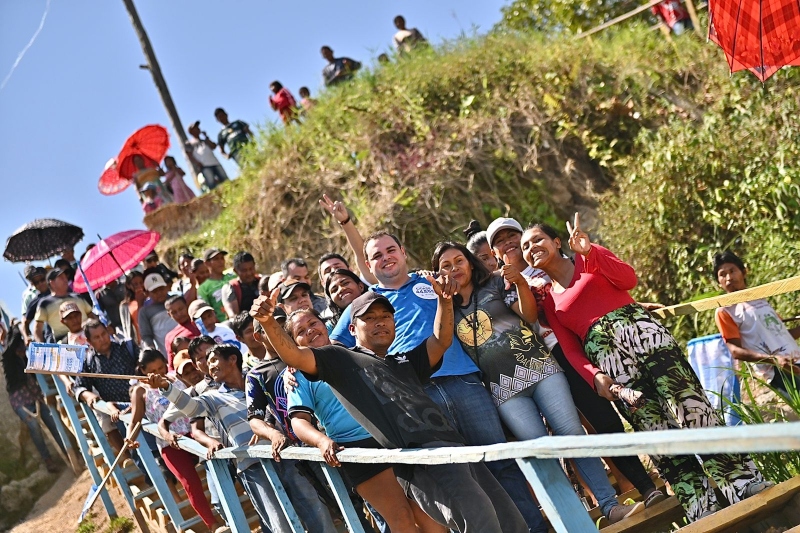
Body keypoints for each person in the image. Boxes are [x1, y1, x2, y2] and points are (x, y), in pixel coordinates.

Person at [520, 215, 773, 522]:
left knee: (693, 409)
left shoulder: (590, 258)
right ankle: (701, 506)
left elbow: (628, 280)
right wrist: (596, 376)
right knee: (656, 431)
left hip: (646, 338)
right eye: (525, 246)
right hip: (612, 363)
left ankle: (742, 483)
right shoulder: (548, 301)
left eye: (537, 239)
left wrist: (590, 252)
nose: (532, 247)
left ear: (556, 242)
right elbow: (571, 350)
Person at [251, 288, 530, 533]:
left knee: (511, 523)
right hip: (419, 460)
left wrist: (444, 302)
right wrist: (267, 322)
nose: (379, 322)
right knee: (480, 523)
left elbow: (441, 340)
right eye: (369, 318)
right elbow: (294, 356)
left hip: (454, 449)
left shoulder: (402, 360)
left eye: (385, 316)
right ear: (351, 329)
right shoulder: (338, 359)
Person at [330, 232, 546, 531]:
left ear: (403, 252)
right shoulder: (366, 303)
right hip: (417, 398)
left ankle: (533, 528)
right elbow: (332, 348)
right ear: (368, 264)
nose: (385, 257)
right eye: (377, 255)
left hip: (464, 382)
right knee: (457, 477)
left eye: (390, 250)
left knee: (499, 460)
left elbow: (475, 284)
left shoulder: (431, 281)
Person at [431, 242, 643, 525]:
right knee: (540, 454)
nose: (454, 268)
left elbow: (529, 316)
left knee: (571, 436)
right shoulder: (444, 306)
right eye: (446, 266)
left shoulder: (496, 283)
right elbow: (440, 337)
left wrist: (519, 283)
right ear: (439, 273)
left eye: (459, 261)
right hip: (503, 390)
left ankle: (609, 506)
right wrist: (443, 300)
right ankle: (574, 521)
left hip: (540, 369)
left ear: (470, 263)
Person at [486, 216, 663, 502]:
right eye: (499, 241)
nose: (508, 243)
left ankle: (668, 471)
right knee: (603, 422)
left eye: (512, 236)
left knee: (640, 406)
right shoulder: (499, 287)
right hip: (554, 357)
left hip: (594, 341)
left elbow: (586, 292)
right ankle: (647, 487)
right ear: (493, 253)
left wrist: (632, 305)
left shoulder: (549, 263)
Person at [281, 308, 445, 532]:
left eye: (313, 323)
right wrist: (321, 441)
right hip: (357, 450)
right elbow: (298, 421)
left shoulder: (357, 353)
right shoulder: (297, 377)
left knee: (431, 517)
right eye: (301, 331)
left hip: (394, 439)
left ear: (325, 324)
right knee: (402, 518)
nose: (310, 330)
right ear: (293, 343)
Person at [146, 344, 339, 533]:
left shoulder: (257, 381)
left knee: (315, 511)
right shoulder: (212, 398)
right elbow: (189, 407)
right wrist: (165, 386)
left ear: (232, 359)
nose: (210, 366)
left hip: (287, 455)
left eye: (213, 360)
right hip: (252, 467)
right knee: (279, 523)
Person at [124, 349, 224, 531]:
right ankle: (214, 525)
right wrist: (129, 438)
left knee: (217, 468)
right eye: (153, 370)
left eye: (162, 367)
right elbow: (135, 420)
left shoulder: (175, 377)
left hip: (194, 433)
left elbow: (195, 395)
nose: (159, 373)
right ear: (143, 371)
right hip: (169, 442)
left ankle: (229, 511)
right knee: (190, 484)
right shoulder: (140, 390)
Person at [714, 250, 800, 394]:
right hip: (778, 370)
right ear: (718, 282)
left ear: (743, 272)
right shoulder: (725, 311)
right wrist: (774, 359)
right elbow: (735, 351)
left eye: (732, 271)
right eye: (722, 274)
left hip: (796, 359)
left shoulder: (760, 298)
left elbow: (781, 333)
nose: (728, 277)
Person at [2, 326, 64, 473]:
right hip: (20, 401)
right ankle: (48, 460)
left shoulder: (26, 359)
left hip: (35, 396)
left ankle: (68, 452)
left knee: (52, 422)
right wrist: (14, 327)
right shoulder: (8, 360)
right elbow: (14, 339)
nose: (23, 351)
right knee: (34, 427)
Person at [74, 319, 140, 452]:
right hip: (119, 413)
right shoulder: (88, 361)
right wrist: (89, 396)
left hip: (141, 405)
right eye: (96, 337)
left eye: (103, 334)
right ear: (89, 342)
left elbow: (145, 367)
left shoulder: (127, 347)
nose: (102, 339)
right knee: (138, 453)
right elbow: (79, 387)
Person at [33, 268, 94, 343]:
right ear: (52, 283)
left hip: (88, 335)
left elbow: (91, 315)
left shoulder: (78, 296)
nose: (65, 280)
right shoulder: (45, 303)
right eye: (61, 278)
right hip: (65, 343)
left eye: (65, 277)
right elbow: (37, 328)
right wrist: (41, 346)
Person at [138, 273, 178, 354]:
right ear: (147, 293)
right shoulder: (145, 312)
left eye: (161, 289)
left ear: (166, 287)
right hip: (168, 352)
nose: (159, 293)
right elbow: (146, 336)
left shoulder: (177, 300)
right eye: (155, 291)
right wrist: (152, 352)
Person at [186, 121, 228, 192]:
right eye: (195, 128)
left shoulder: (204, 140)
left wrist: (206, 137)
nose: (198, 129)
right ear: (191, 131)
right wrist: (197, 163)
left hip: (215, 163)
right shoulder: (189, 143)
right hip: (205, 166)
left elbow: (213, 146)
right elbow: (189, 155)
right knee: (212, 185)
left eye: (197, 127)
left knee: (225, 180)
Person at [198, 248, 236, 322]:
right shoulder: (203, 288)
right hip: (224, 324)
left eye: (222, 258)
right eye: (216, 259)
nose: (220, 261)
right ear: (207, 263)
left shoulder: (233, 277)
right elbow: (206, 312)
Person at [164, 295, 201, 369]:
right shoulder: (170, 337)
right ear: (169, 315)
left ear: (187, 305)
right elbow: (172, 367)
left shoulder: (201, 322)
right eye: (174, 312)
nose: (179, 314)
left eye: (181, 309)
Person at [221, 251, 261, 319]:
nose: (248, 273)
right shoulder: (231, 288)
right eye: (244, 270)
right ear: (235, 271)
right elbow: (233, 316)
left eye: (251, 269)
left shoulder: (261, 281)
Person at [119, 271, 146, 343]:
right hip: (139, 341)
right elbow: (126, 327)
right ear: (128, 285)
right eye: (135, 284)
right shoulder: (125, 305)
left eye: (141, 282)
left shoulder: (149, 297)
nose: (139, 286)